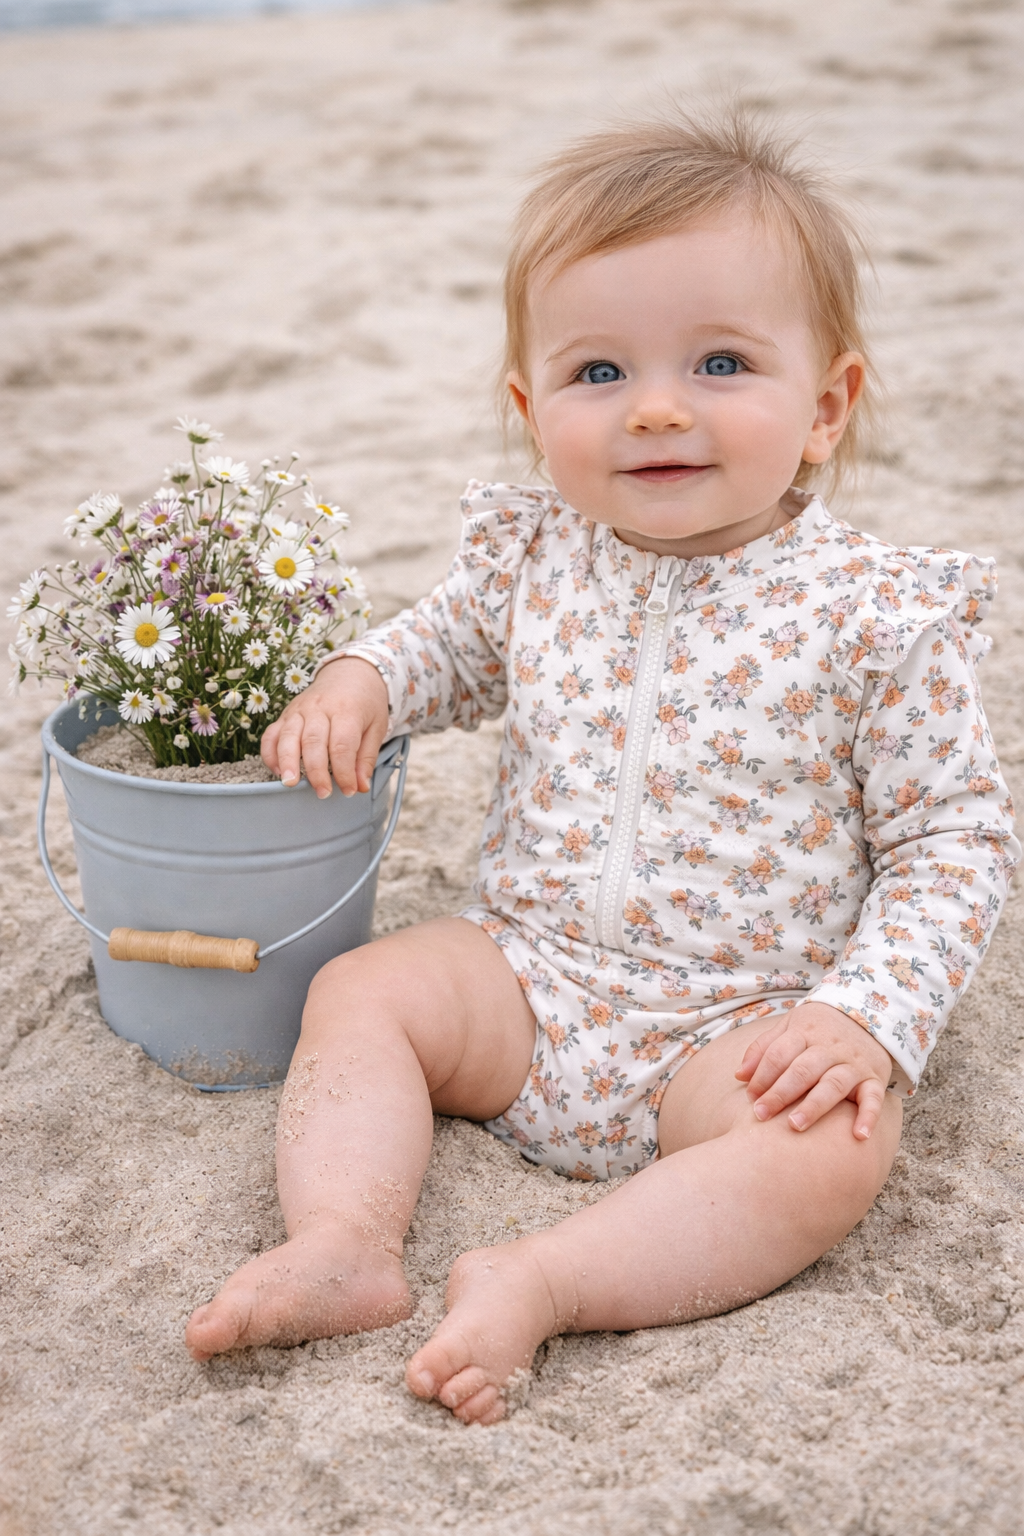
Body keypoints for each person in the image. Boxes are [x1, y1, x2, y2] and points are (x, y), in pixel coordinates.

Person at [184, 108, 1018, 1425]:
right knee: (366, 990)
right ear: (531, 412)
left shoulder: (874, 616)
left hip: (741, 1025)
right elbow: (445, 643)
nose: (660, 408)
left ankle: (547, 1280)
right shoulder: (536, 560)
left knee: (833, 1148)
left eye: (725, 361)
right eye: (597, 375)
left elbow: (953, 838)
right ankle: (344, 1239)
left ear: (827, 408)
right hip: (529, 980)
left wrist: (865, 1012)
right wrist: (365, 678)